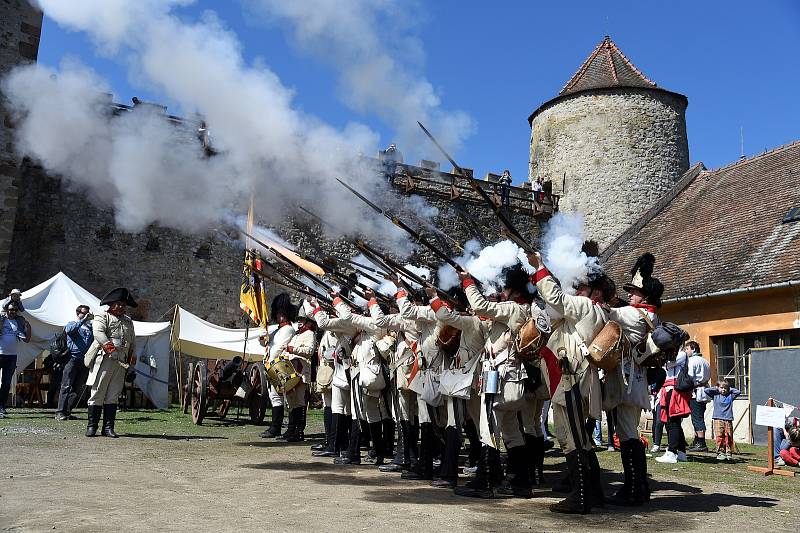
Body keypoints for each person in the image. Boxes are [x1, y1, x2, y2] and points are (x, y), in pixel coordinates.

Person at [527, 251, 612, 513]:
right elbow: (550, 311)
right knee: (580, 438)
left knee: (571, 438)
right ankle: (593, 493)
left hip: (573, 379)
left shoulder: (586, 306)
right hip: (575, 378)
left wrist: (541, 267)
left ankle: (581, 497)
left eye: (581, 286)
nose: (576, 289)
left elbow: (555, 298)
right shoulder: (590, 310)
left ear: (594, 291)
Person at [84, 288, 137, 438]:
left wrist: (132, 364)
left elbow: (133, 343)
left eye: (123, 304)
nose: (120, 307)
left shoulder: (128, 321)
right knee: (98, 392)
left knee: (113, 394)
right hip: (105, 358)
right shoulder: (102, 316)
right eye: (118, 304)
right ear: (111, 304)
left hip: (121, 361)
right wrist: (110, 349)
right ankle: (92, 427)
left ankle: (108, 428)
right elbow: (98, 333)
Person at [261, 293, 297, 439]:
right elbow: (269, 345)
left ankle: (281, 427)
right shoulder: (277, 330)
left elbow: (277, 348)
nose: (278, 316)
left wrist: (270, 362)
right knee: (274, 397)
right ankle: (274, 427)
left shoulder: (288, 329)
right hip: (271, 366)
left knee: (284, 399)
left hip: (279, 367)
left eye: (280, 313)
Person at [55, 305, 95, 421]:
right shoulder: (72, 323)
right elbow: (69, 330)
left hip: (85, 361)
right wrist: (83, 320)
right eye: (84, 313)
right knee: (66, 386)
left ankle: (67, 412)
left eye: (88, 313)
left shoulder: (91, 328)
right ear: (78, 314)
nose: (87, 315)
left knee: (77, 388)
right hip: (72, 359)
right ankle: (60, 412)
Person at [655, 349, 692, 463]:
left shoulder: (681, 354)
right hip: (669, 390)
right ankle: (681, 452)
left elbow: (668, 363)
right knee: (674, 422)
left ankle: (671, 452)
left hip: (674, 390)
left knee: (672, 422)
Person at [0, 301, 31, 418]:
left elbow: (26, 339)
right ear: (6, 310)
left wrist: (28, 328)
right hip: (0, 353)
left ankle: (1, 406)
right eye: (10, 309)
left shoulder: (18, 322)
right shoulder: (2, 319)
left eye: (14, 310)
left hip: (11, 356)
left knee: (6, 383)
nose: (12, 312)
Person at [703, 381, 740, 461]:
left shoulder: (730, 396)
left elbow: (738, 392)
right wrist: (716, 388)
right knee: (720, 436)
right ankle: (720, 452)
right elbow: (707, 390)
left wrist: (729, 389)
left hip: (728, 419)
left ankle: (729, 452)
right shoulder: (716, 395)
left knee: (729, 436)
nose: (723, 390)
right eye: (722, 388)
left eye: (725, 388)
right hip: (718, 418)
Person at [686, 340, 711, 452]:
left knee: (697, 418)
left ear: (693, 349)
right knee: (697, 416)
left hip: (696, 392)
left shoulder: (692, 361)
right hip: (703, 391)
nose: (686, 351)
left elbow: (690, 377)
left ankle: (701, 442)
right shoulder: (705, 361)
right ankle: (697, 440)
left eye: (687, 349)